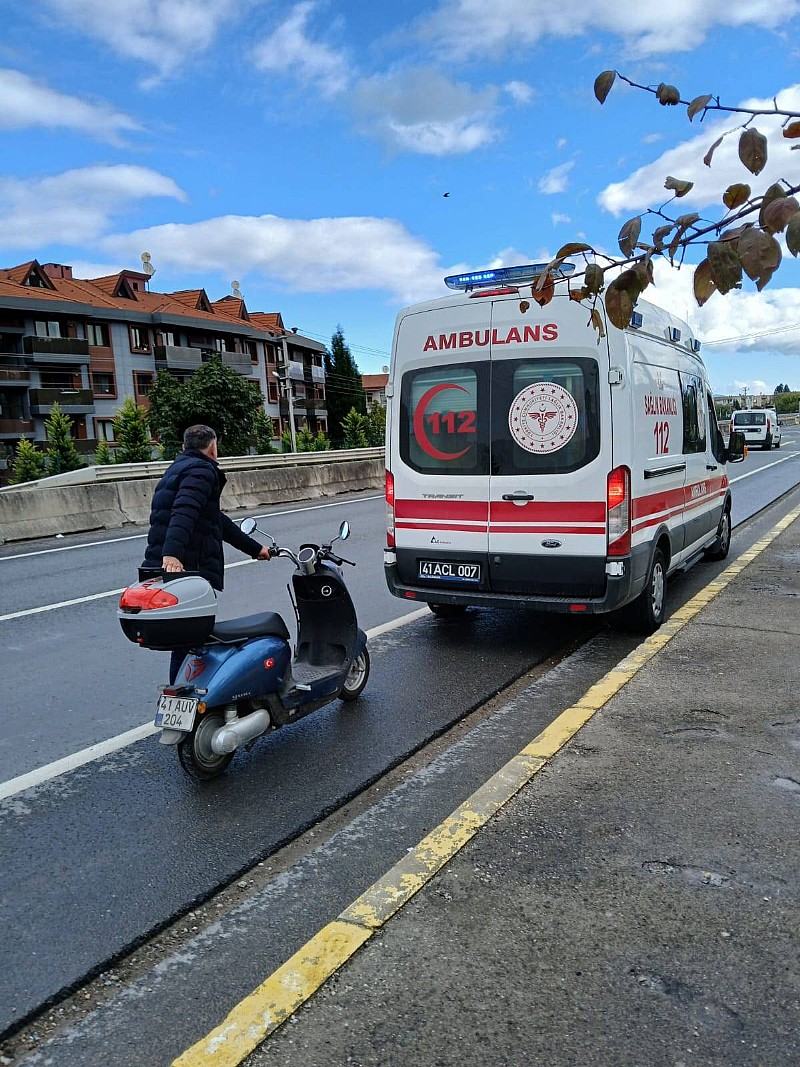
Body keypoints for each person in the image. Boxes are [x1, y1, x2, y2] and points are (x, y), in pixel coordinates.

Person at [141, 424, 271, 682]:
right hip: (188, 568)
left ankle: (181, 696)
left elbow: (214, 520)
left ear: (184, 447)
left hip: (171, 566)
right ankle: (187, 698)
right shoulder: (202, 470)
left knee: (185, 640)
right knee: (192, 640)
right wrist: (172, 555)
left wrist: (255, 549)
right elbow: (185, 511)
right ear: (213, 447)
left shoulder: (178, 468)